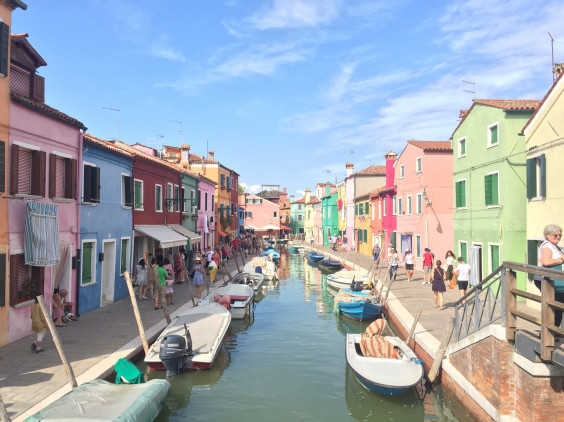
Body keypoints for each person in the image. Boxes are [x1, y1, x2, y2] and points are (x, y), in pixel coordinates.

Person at [535, 224, 564, 327]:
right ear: (547, 235)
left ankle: (553, 332)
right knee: (553, 307)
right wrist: (561, 259)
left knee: (558, 307)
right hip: (547, 281)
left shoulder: (555, 247)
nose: (558, 237)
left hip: (556, 282)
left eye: (560, 235)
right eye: (555, 235)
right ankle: (548, 333)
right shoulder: (547, 246)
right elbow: (546, 262)